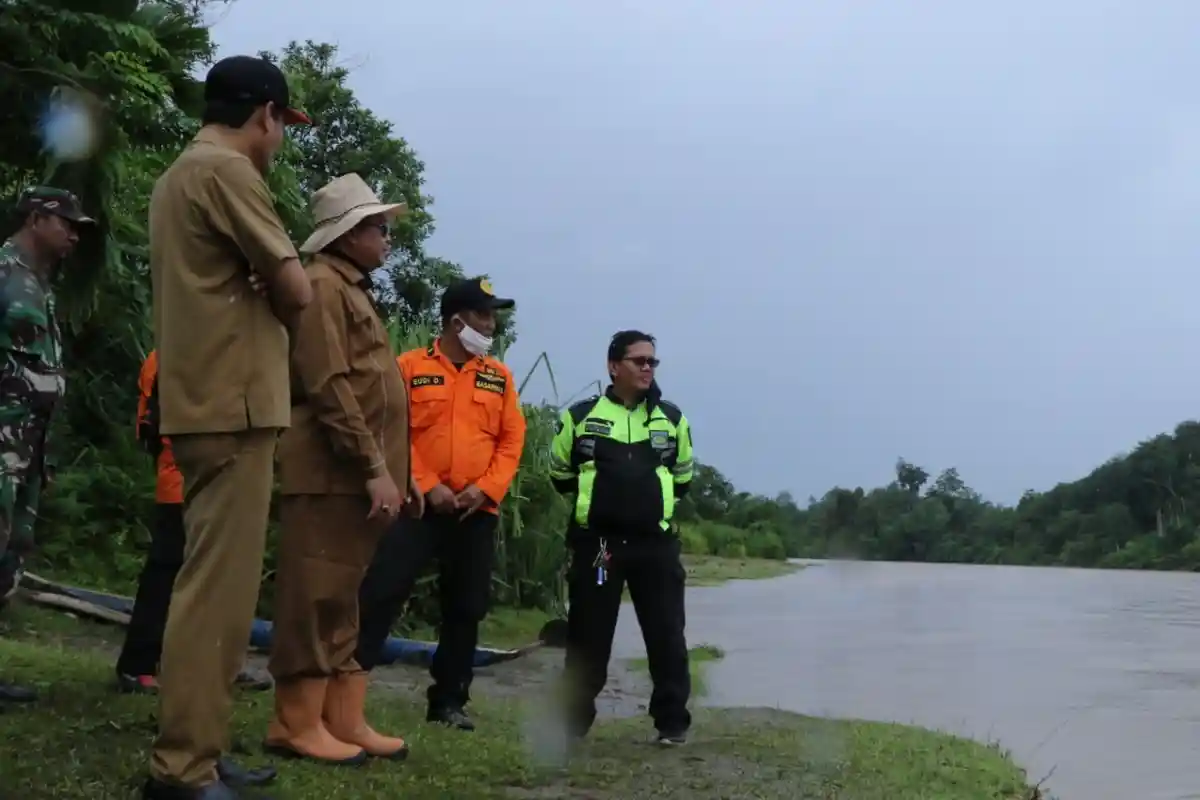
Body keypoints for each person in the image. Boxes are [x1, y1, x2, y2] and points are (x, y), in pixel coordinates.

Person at [145, 54, 313, 800]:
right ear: (266, 114)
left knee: (209, 587)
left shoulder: (180, 173)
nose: (280, 141)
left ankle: (202, 754)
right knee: (216, 597)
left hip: (201, 401)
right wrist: (275, 278)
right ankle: (183, 768)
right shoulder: (228, 172)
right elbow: (298, 288)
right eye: (282, 125)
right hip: (234, 406)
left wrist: (264, 275)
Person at [263, 173, 421, 765]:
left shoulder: (352, 286)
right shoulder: (324, 286)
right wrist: (375, 465)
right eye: (379, 227)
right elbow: (327, 385)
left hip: (358, 476)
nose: (386, 237)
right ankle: (293, 723)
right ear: (349, 233)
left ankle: (340, 718)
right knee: (314, 595)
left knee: (344, 597)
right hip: (330, 472)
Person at [355, 277, 526, 732]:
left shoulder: (498, 376)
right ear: (457, 320)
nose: (491, 325)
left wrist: (486, 489)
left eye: (493, 316)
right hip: (416, 506)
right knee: (381, 592)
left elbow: (511, 441)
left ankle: (449, 702)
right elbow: (392, 431)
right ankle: (346, 690)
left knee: (465, 607)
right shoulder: (409, 367)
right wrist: (427, 485)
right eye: (484, 315)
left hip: (475, 511)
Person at [549, 330, 695, 746]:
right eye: (639, 361)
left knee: (666, 634)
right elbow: (561, 473)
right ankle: (572, 720)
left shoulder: (671, 418)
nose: (648, 368)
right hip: (600, 548)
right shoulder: (580, 417)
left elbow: (683, 478)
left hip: (655, 547)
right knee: (589, 633)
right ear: (614, 366)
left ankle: (671, 723)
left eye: (653, 362)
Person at [115, 349, 272, 696]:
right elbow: (160, 425)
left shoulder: (222, 348)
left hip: (225, 479)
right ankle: (139, 664)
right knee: (167, 569)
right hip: (183, 476)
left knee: (224, 574)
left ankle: (218, 663)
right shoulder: (171, 353)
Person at [0, 186, 93, 707]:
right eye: (66, 223)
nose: (74, 233)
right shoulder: (3, 273)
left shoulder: (40, 285)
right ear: (37, 219)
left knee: (8, 560)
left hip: (27, 451)